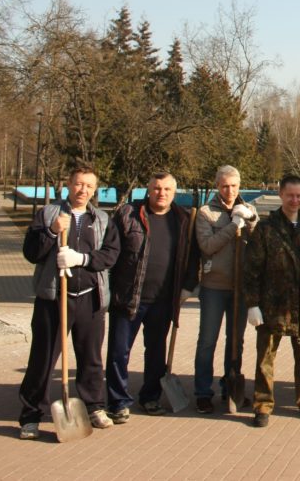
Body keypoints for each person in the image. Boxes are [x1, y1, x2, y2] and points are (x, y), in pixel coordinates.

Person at [18, 163, 120, 439]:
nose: (82, 190)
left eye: (89, 186)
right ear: (68, 185)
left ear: (95, 190)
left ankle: (94, 406)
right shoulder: (49, 214)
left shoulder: (102, 219)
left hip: (90, 298)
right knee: (42, 359)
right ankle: (31, 415)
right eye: (78, 184)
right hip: (54, 299)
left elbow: (111, 254)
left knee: (91, 358)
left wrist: (82, 259)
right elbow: (31, 252)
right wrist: (51, 232)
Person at [243, 174, 300, 427]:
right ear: (281, 195)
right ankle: (263, 405)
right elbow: (251, 269)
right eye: (290, 195)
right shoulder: (266, 229)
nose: (295, 200)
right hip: (271, 304)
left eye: (299, 196)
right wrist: (252, 304)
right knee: (265, 359)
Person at [107, 171, 197, 423]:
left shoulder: (183, 219)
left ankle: (150, 397)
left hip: (163, 301)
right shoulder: (128, 214)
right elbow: (111, 252)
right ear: (148, 190)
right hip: (128, 298)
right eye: (157, 188)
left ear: (174, 192)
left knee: (156, 353)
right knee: (118, 352)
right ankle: (118, 402)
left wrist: (188, 286)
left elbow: (192, 258)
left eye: (167, 189)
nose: (161, 193)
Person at [191, 165, 259, 414]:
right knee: (207, 341)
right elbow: (208, 246)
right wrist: (233, 225)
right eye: (225, 186)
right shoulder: (206, 213)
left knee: (236, 342)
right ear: (217, 186)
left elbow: (259, 241)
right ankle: (202, 392)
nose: (229, 191)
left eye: (234, 186)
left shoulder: (249, 209)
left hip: (240, 288)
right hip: (214, 287)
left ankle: (229, 388)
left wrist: (250, 221)